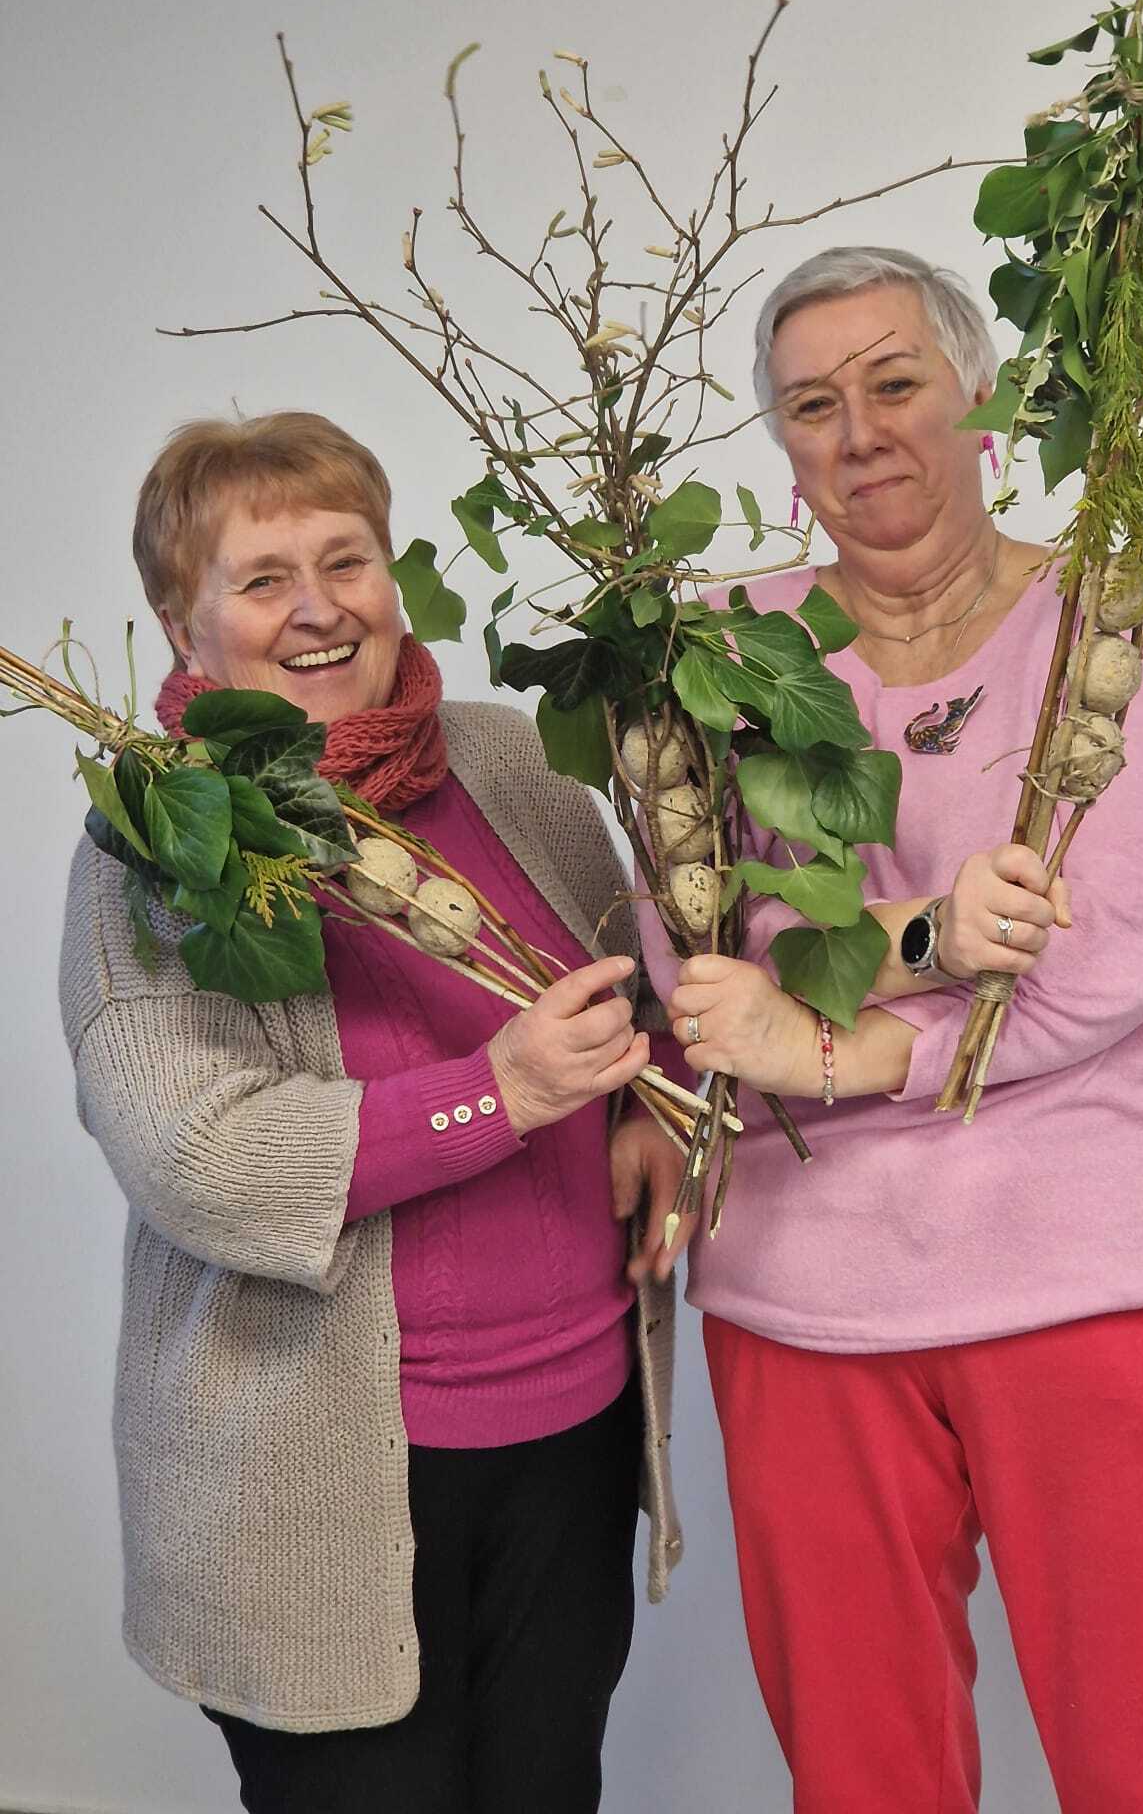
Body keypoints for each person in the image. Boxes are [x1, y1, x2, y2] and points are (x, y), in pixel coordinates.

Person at [638, 249, 1143, 1812]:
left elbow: (1104, 947)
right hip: (809, 1298)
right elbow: (698, 944)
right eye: (811, 406)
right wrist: (915, 953)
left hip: (1093, 1276)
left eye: (896, 383)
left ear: (977, 399)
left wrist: (839, 1048)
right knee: (864, 1778)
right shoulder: (714, 654)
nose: (860, 434)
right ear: (780, 451)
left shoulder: (1109, 615)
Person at [58, 412, 687, 1814]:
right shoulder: (153, 845)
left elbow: (625, 982)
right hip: (316, 1480)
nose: (319, 606)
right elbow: (193, 1148)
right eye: (264, 576)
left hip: (569, 1441)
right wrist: (502, 1094)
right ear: (184, 620)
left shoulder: (509, 761)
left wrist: (653, 1110)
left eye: (345, 559)